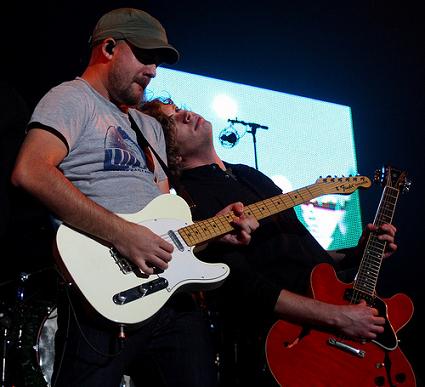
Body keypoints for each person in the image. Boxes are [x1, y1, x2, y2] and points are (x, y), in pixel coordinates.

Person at [10, 8, 258, 387]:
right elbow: (31, 171)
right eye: (145, 56)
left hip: (172, 301)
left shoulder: (148, 128)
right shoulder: (71, 98)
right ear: (109, 47)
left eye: (157, 61)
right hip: (103, 296)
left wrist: (213, 232)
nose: (153, 70)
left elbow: (166, 223)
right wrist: (122, 234)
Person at [140, 98, 399, 386]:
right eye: (173, 120)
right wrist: (338, 317)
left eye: (179, 109)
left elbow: (302, 253)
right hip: (289, 342)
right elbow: (245, 288)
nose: (187, 114)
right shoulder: (188, 200)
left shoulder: (247, 173)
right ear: (168, 151)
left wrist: (356, 252)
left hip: (333, 326)